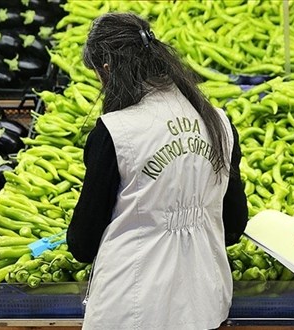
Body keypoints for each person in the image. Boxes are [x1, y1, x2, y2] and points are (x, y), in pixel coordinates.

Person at [66, 13, 248, 330]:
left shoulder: (115, 132)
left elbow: (82, 243)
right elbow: (234, 223)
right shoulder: (218, 122)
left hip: (132, 304)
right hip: (204, 296)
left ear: (107, 70)